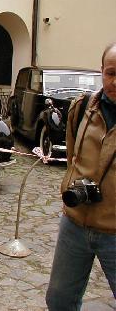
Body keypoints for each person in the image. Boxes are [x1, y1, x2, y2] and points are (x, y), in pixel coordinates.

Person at [46, 43, 116, 310]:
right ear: (101, 71)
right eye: (110, 73)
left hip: (114, 232)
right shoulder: (82, 108)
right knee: (59, 300)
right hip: (74, 224)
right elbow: (73, 158)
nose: (115, 81)